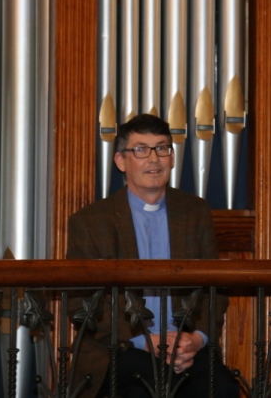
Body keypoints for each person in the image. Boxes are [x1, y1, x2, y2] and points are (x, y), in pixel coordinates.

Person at [66, 114, 237, 398]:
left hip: (186, 349)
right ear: (121, 161)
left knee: (223, 389)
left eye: (162, 148)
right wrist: (147, 341)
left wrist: (196, 339)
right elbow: (82, 302)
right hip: (122, 349)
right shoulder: (90, 221)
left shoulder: (195, 212)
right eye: (141, 150)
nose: (154, 159)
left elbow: (214, 291)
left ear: (171, 158)